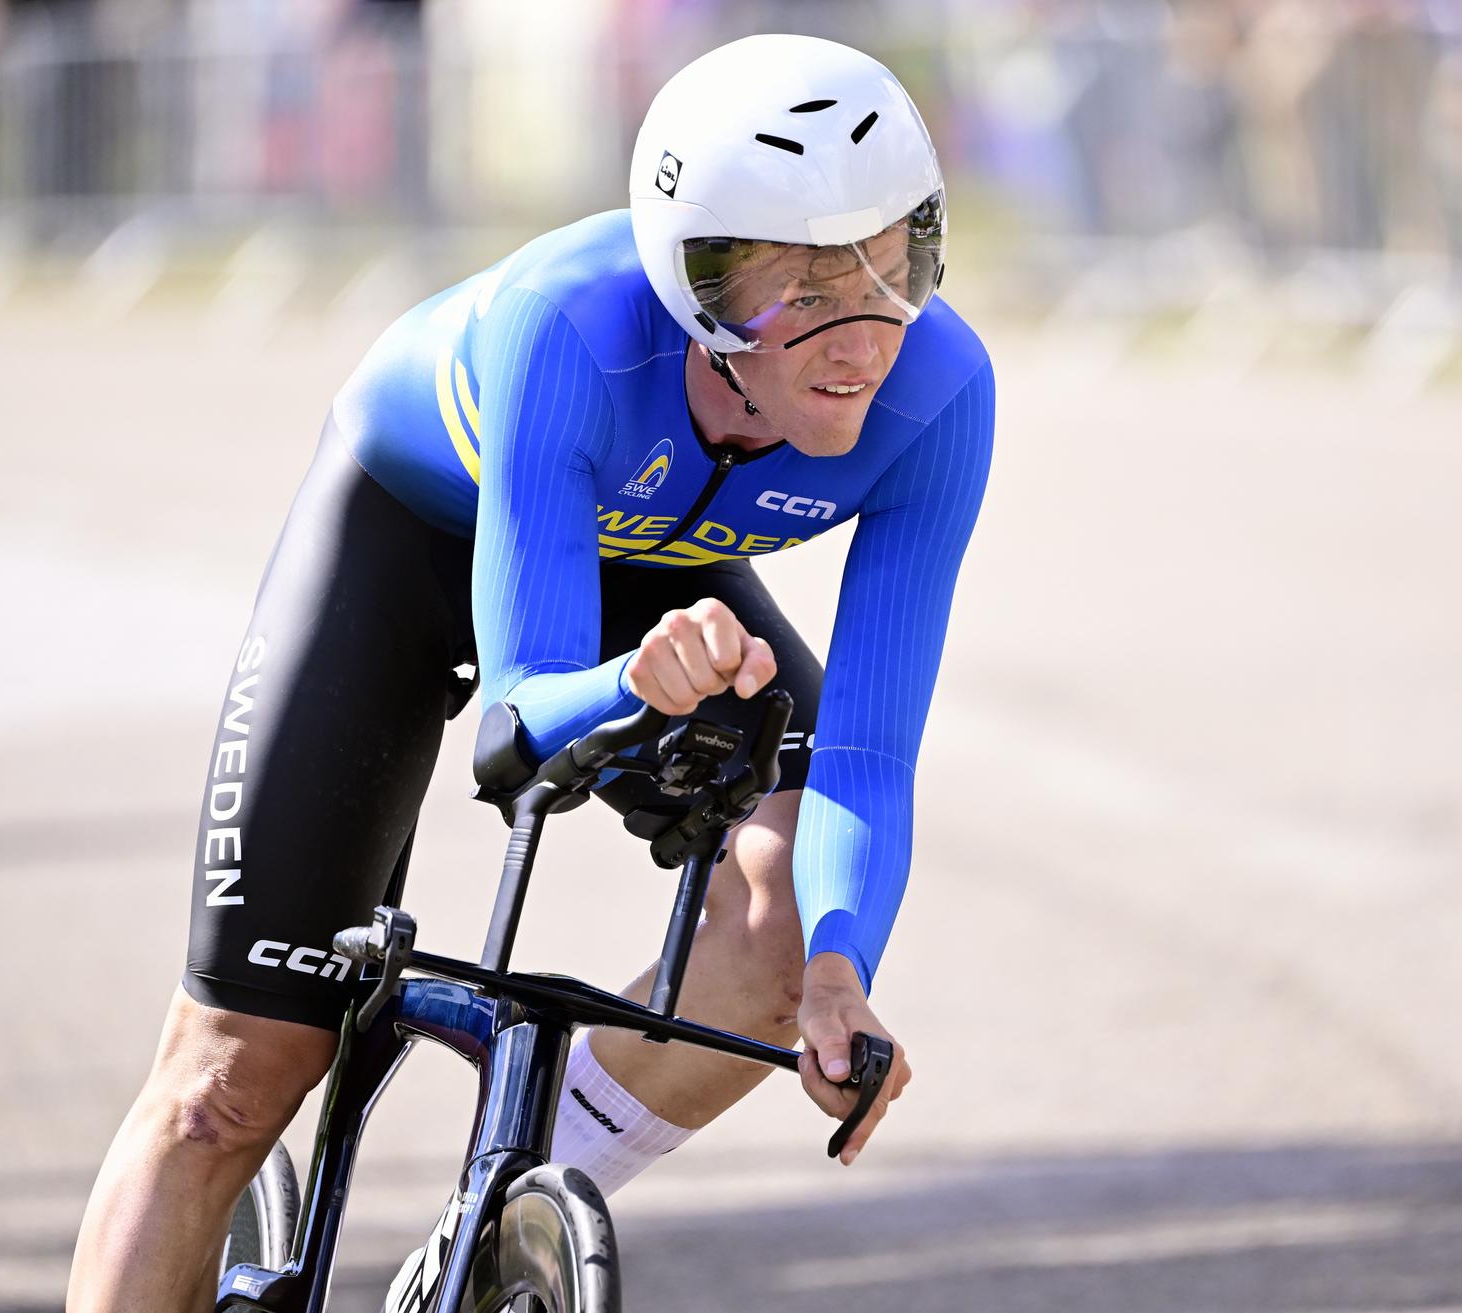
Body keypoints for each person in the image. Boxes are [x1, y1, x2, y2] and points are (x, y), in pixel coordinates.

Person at [66, 32, 995, 1313]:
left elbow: (869, 754)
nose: (858, 335)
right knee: (228, 1077)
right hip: (409, 532)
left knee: (790, 938)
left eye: (895, 265)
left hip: (652, 551)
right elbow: (519, 728)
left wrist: (841, 971)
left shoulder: (945, 393)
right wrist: (636, 687)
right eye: (792, 287)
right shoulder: (566, 325)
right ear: (696, 289)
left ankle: (477, 1233)